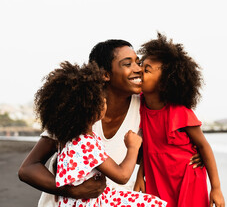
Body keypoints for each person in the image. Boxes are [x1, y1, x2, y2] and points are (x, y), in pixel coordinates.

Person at [18, 39, 202, 206]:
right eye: (127, 64)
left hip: (118, 200)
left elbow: (154, 150)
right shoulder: (78, 110)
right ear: (105, 74)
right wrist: (72, 190)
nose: (138, 68)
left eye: (138, 62)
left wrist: (194, 154)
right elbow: (28, 168)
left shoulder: (145, 107)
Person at [33, 61, 166, 206]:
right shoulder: (86, 144)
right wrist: (133, 147)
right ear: (91, 111)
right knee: (153, 203)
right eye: (101, 100)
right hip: (93, 202)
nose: (105, 102)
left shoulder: (69, 139)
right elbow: (122, 176)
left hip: (71, 202)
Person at [136, 33, 225, 207]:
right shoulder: (139, 106)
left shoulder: (179, 112)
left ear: (165, 82)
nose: (140, 71)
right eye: (141, 66)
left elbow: (204, 146)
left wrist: (216, 188)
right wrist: (140, 176)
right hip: (157, 177)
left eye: (146, 70)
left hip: (188, 178)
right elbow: (150, 148)